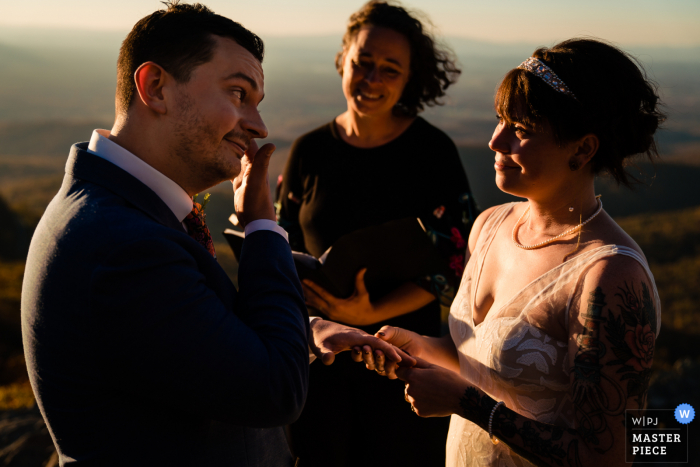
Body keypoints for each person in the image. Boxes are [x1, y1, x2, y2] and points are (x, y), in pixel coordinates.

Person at [20, 3, 408, 466]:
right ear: (155, 87)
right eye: (238, 93)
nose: (258, 127)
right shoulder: (123, 244)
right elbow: (275, 391)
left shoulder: (120, 213)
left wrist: (302, 334)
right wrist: (263, 228)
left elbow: (172, 345)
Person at [363, 38, 665, 466]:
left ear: (582, 149)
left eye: (520, 130)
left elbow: (608, 457)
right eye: (500, 120)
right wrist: (415, 346)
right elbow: (479, 363)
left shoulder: (610, 275)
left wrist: (466, 403)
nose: (495, 141)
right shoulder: (490, 226)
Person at [276, 2, 477, 465]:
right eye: (363, 63)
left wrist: (368, 312)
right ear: (342, 58)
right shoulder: (309, 150)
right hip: (320, 368)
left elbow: (457, 263)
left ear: (410, 78)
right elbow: (282, 244)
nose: (372, 79)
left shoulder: (432, 153)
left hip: (404, 369)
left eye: (390, 69)